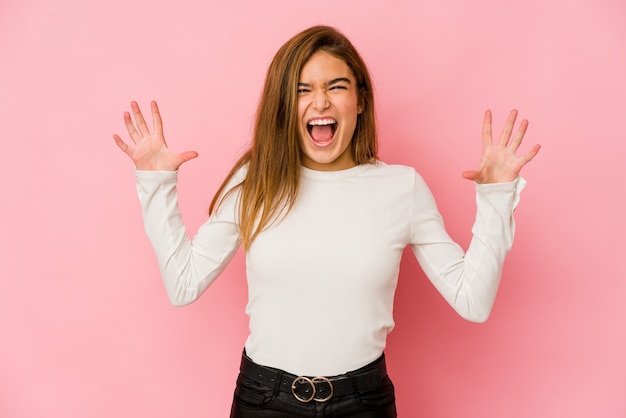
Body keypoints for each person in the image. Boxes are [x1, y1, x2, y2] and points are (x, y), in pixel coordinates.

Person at [113, 25, 540, 418]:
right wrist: (156, 184)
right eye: (303, 90)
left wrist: (497, 197)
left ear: (360, 100)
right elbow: (183, 283)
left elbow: (473, 300)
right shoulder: (255, 179)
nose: (320, 101)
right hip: (264, 401)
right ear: (285, 104)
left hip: (363, 403)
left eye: (336, 86)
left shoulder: (400, 187)